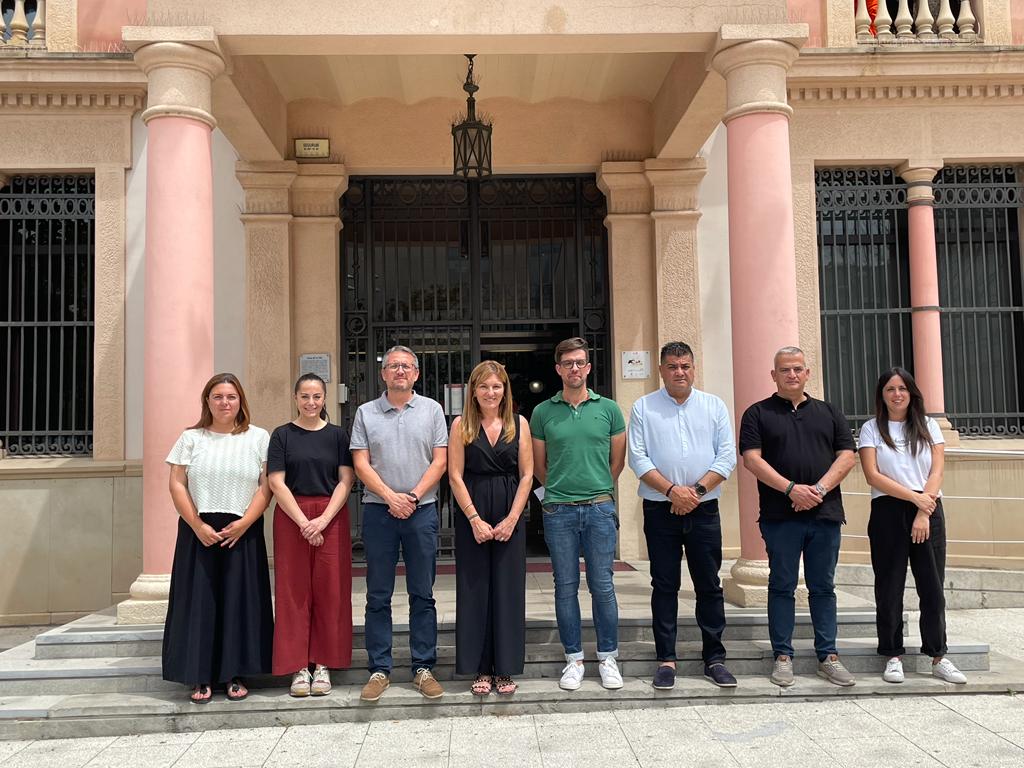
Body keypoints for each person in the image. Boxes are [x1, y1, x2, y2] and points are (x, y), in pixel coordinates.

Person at [739, 346, 857, 687]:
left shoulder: (829, 412)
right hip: (780, 516)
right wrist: (791, 489)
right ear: (773, 375)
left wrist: (817, 490)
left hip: (825, 515)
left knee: (823, 587)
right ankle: (783, 656)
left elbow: (847, 456)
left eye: (798, 369)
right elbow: (752, 459)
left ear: (807, 373)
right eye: (784, 370)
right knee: (781, 586)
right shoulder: (757, 413)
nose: (792, 374)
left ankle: (828, 656)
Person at [628, 342, 737, 690]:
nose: (680, 372)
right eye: (673, 366)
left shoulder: (714, 406)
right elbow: (639, 459)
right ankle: (666, 659)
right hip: (661, 508)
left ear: (694, 368)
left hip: (704, 509)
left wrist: (696, 492)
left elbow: (726, 457)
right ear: (661, 370)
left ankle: (714, 658)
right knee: (664, 585)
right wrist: (673, 491)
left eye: (686, 366)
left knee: (709, 584)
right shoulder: (644, 408)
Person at [162, 373, 274, 704]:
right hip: (201, 529)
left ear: (241, 401)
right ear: (207, 401)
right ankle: (200, 674)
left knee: (239, 602)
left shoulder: (258, 437)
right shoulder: (190, 438)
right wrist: (196, 524)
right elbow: (177, 484)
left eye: (231, 396)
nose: (225, 402)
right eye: (218, 397)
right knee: (199, 602)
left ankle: (234, 673)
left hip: (243, 528)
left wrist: (245, 522)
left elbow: (266, 484)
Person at [350, 345, 448, 701]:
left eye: (406, 366)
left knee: (422, 593)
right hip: (379, 512)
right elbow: (361, 463)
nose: (400, 372)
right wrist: (392, 497)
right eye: (393, 366)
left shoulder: (432, 410)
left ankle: (423, 667)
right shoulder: (365, 412)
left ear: (417, 374)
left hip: (421, 511)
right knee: (378, 594)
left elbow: (440, 461)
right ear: (383, 373)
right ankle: (380, 669)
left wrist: (412, 497)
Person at [859, 366, 966, 684]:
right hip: (888, 512)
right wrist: (914, 499)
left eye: (902, 388)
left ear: (911, 393)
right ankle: (892, 655)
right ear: (882, 394)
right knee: (889, 586)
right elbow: (873, 475)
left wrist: (923, 508)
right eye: (890, 389)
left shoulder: (929, 426)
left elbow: (937, 470)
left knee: (932, 588)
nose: (897, 394)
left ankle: (937, 655)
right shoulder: (871, 429)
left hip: (928, 509)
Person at [531, 337, 626, 691]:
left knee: (603, 586)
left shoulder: (610, 409)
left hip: (600, 508)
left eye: (580, 363)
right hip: (559, 511)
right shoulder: (543, 412)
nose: (575, 368)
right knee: (565, 587)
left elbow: (617, 461)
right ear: (558, 369)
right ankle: (573, 658)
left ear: (588, 367)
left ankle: (608, 657)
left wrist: (599, 487)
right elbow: (540, 467)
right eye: (568, 363)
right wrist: (559, 492)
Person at [449, 361, 534, 696]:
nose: (490, 392)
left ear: (504, 390)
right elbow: (455, 475)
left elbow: (527, 474)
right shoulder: (460, 425)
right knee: (475, 589)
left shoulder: (519, 424)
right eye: (484, 387)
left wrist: (513, 518)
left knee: (507, 590)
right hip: (473, 509)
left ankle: (505, 669)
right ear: (474, 390)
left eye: (496, 386)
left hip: (509, 510)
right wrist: (473, 519)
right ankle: (479, 667)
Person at [268, 373, 356, 697]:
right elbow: (276, 481)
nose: (311, 403)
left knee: (331, 591)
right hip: (292, 515)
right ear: (295, 398)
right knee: (294, 592)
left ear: (325, 399)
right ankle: (297, 667)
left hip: (330, 516)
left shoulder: (337, 436)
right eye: (305, 396)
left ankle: (323, 665)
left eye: (317, 396)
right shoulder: (282, 436)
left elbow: (345, 480)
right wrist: (305, 521)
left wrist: (321, 521)